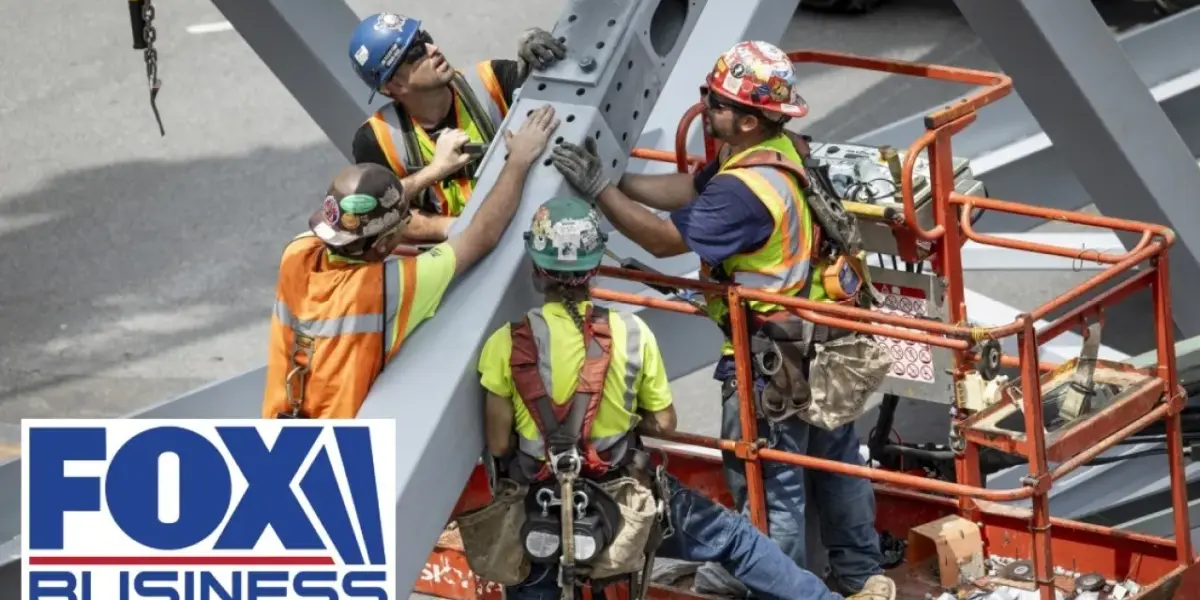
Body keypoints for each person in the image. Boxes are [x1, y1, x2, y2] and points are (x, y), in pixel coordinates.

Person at [549, 40, 892, 597]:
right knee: (836, 461)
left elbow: (663, 240)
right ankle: (860, 574)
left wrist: (598, 192)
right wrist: (617, 180)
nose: (706, 105)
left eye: (717, 102)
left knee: (770, 485)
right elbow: (690, 188)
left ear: (749, 119)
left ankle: (782, 590)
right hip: (821, 340)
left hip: (772, 359)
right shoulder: (778, 150)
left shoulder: (744, 192)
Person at [458, 196, 894, 600]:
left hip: (539, 509)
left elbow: (498, 443)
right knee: (737, 541)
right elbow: (664, 423)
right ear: (595, 269)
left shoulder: (506, 344)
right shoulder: (631, 335)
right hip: (622, 498)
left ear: (537, 271)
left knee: (533, 578)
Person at [261, 105, 560, 419]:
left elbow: (354, 213)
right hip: (338, 442)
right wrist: (519, 159)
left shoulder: (297, 252)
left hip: (278, 429)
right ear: (383, 245)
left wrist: (435, 170)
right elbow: (482, 235)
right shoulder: (386, 288)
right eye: (402, 225)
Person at [347, 12, 566, 243]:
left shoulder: (492, 79)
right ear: (393, 85)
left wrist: (544, 61)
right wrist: (435, 176)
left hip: (537, 223)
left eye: (425, 38)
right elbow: (376, 216)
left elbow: (562, 101)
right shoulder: (376, 139)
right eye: (416, 51)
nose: (433, 49)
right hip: (460, 252)